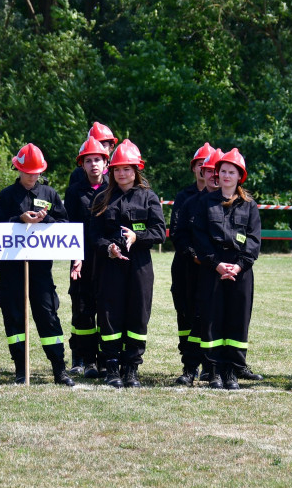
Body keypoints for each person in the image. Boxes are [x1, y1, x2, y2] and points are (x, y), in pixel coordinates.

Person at [0, 143, 75, 386]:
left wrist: (45, 219)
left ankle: (59, 370)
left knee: (48, 315)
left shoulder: (49, 195)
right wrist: (18, 219)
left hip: (40, 269)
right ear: (18, 169)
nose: (32, 175)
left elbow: (64, 223)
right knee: (15, 317)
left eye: (36, 171)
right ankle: (21, 369)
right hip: (11, 268)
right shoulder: (7, 196)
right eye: (27, 171)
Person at [90, 139, 166, 387]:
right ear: (111, 171)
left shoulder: (149, 197)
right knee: (110, 315)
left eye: (127, 169)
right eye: (117, 169)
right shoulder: (102, 198)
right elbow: (94, 235)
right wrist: (108, 248)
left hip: (140, 265)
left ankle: (131, 368)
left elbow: (159, 231)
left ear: (136, 170)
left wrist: (138, 237)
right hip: (110, 266)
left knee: (138, 315)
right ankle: (112, 367)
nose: (122, 173)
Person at [191, 148, 261, 390]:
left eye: (232, 172)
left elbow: (253, 240)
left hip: (240, 271)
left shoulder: (249, 206)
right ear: (217, 175)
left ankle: (231, 371)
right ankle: (213, 371)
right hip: (213, 268)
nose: (227, 176)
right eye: (223, 172)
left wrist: (239, 266)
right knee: (212, 319)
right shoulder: (204, 202)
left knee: (237, 319)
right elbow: (199, 236)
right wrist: (217, 264)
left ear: (240, 176)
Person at [64, 136, 109, 377]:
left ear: (105, 163)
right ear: (82, 165)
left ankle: (104, 361)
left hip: (106, 260)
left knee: (106, 310)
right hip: (81, 260)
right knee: (82, 310)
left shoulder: (112, 189)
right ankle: (88, 360)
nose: (93, 165)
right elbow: (69, 226)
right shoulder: (73, 192)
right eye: (88, 160)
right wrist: (75, 257)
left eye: (98, 160)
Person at [169, 142, 214, 385]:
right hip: (186, 266)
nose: (204, 170)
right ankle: (189, 365)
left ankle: (209, 366)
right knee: (187, 316)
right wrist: (193, 254)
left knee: (208, 316)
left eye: (209, 166)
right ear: (195, 169)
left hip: (210, 268)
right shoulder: (184, 198)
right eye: (200, 165)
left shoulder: (226, 197)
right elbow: (178, 231)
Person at [66, 122, 116, 190]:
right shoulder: (78, 174)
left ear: (111, 147)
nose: (97, 149)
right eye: (94, 145)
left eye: (103, 145)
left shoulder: (117, 172)